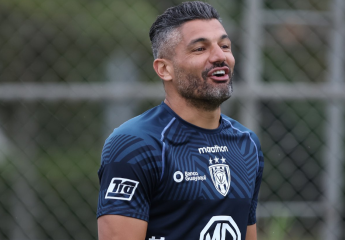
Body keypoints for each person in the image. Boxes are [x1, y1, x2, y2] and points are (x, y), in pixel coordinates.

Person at [97, 2, 264, 240]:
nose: (220, 56)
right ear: (165, 69)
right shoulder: (135, 144)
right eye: (200, 49)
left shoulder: (247, 143)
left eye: (225, 46)